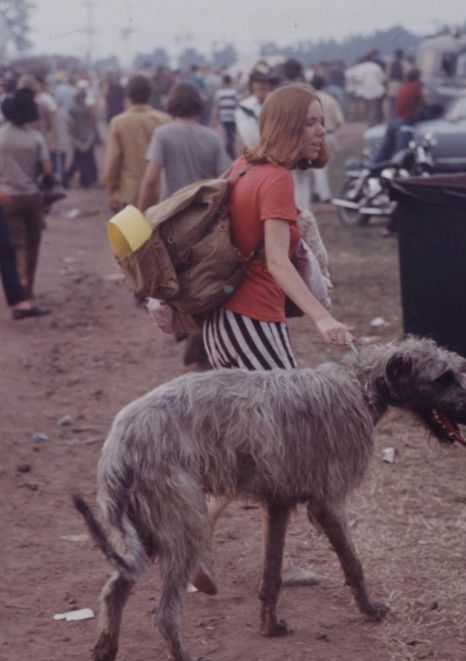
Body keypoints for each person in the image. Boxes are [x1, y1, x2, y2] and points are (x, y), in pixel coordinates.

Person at [199, 83, 352, 587]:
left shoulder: (241, 167)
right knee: (278, 448)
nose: (320, 131)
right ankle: (259, 557)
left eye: (321, 122)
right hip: (254, 323)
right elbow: (278, 262)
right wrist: (322, 317)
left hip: (222, 322)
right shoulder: (276, 180)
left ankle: (203, 540)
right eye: (310, 122)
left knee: (253, 447)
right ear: (287, 125)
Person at [138, 82, 229, 210]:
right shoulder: (213, 137)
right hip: (203, 214)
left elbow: (151, 179)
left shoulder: (162, 134)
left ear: (171, 103)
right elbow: (223, 178)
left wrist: (142, 212)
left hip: (171, 211)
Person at [0, 87, 53, 302]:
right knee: (32, 244)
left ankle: (18, 290)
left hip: (6, 195)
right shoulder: (35, 138)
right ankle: (27, 287)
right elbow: (48, 170)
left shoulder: (1, 136)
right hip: (31, 195)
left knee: (14, 244)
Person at [103, 74, 168, 212]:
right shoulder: (164, 120)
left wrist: (113, 191)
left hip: (131, 194)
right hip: (160, 193)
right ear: (150, 94)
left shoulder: (118, 122)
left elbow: (112, 163)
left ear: (127, 95)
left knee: (134, 233)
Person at [374, 68, 426, 164]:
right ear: (418, 77)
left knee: (385, 150)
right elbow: (425, 103)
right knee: (400, 155)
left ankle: (374, 167)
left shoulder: (403, 87)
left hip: (394, 120)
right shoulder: (416, 87)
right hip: (404, 122)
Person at [310, 74, 344, 202]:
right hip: (330, 134)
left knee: (319, 168)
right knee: (324, 166)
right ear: (324, 86)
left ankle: (325, 195)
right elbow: (340, 121)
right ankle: (318, 192)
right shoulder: (330, 100)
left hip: (314, 136)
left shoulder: (309, 100)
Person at [235, 62, 278, 149]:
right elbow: (249, 138)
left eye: (265, 82)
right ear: (251, 84)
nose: (262, 85)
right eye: (258, 82)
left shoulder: (277, 104)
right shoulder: (244, 107)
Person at [66, 83, 98, 188]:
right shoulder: (86, 109)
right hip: (86, 137)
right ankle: (87, 180)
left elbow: (71, 126)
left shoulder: (72, 109)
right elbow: (92, 123)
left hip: (78, 138)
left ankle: (68, 178)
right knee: (86, 159)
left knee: (78, 159)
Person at [213, 74, 239, 158]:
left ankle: (228, 152)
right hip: (232, 117)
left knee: (227, 135)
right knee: (231, 135)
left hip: (223, 117)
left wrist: (215, 118)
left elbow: (217, 106)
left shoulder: (219, 93)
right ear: (230, 82)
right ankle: (230, 152)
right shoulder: (234, 92)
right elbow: (237, 105)